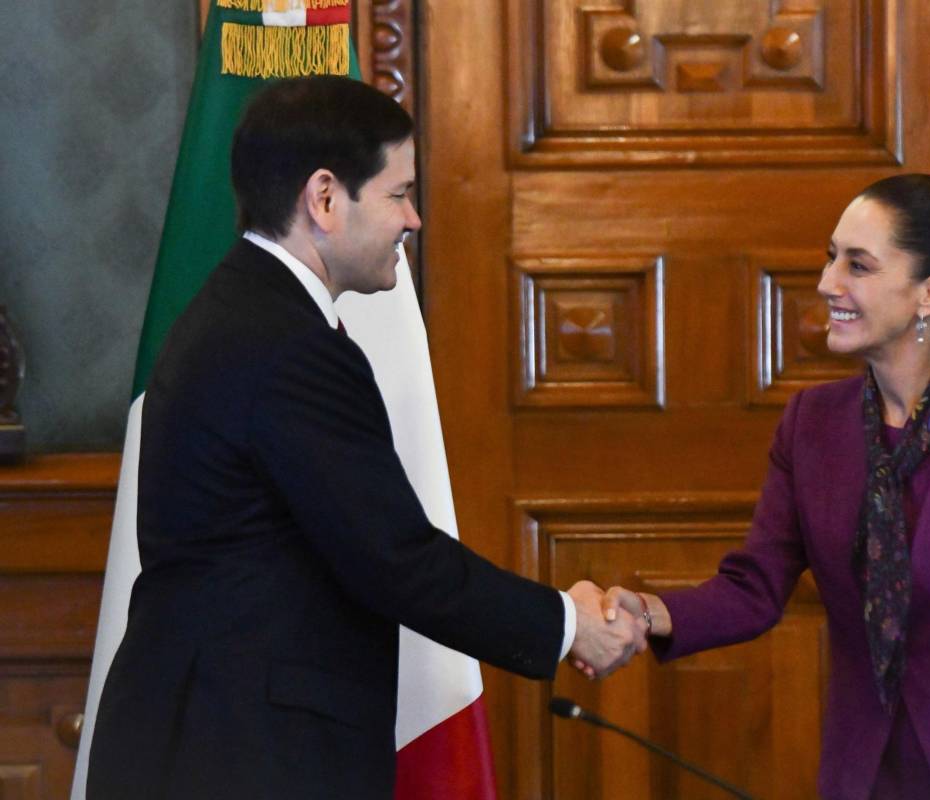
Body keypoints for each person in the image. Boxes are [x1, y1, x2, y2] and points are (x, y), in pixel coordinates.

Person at [86, 76, 645, 800]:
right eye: (397, 194)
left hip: (209, 737)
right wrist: (568, 625)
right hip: (239, 755)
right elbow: (396, 558)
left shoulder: (245, 311)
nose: (413, 219)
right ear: (324, 198)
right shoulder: (286, 344)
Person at [601, 174, 930, 799]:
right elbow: (754, 588)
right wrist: (647, 613)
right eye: (832, 257)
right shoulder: (810, 424)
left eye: (858, 265)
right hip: (866, 774)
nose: (828, 282)